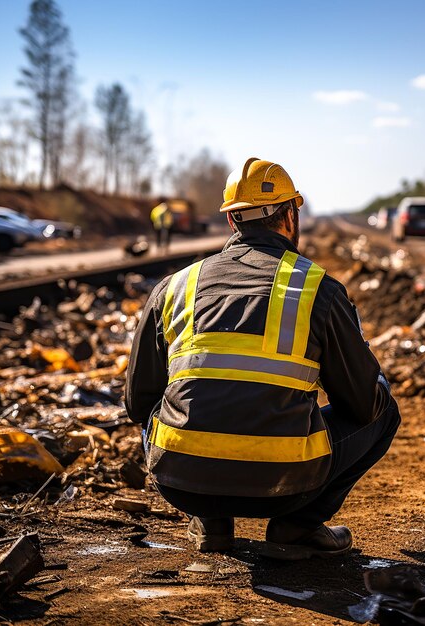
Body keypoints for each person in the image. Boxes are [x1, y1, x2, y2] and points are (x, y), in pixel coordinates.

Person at [126, 157, 401, 560]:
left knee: (169, 407)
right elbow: (361, 403)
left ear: (233, 221)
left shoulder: (176, 286)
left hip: (180, 479)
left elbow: (137, 403)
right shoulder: (318, 288)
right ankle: (298, 525)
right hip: (289, 484)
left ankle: (210, 519)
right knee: (383, 408)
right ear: (290, 215)